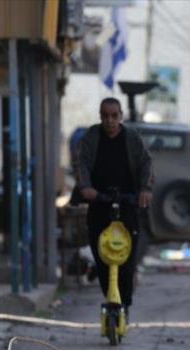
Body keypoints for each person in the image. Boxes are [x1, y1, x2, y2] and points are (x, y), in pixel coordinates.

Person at [75, 97, 154, 315]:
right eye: (105, 116)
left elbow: (146, 163)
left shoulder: (131, 138)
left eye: (114, 116)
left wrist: (145, 189)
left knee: (126, 259)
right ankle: (109, 296)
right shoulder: (92, 137)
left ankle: (125, 303)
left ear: (121, 116)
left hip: (128, 203)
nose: (109, 120)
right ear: (100, 116)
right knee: (101, 256)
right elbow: (81, 162)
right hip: (99, 203)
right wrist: (86, 187)